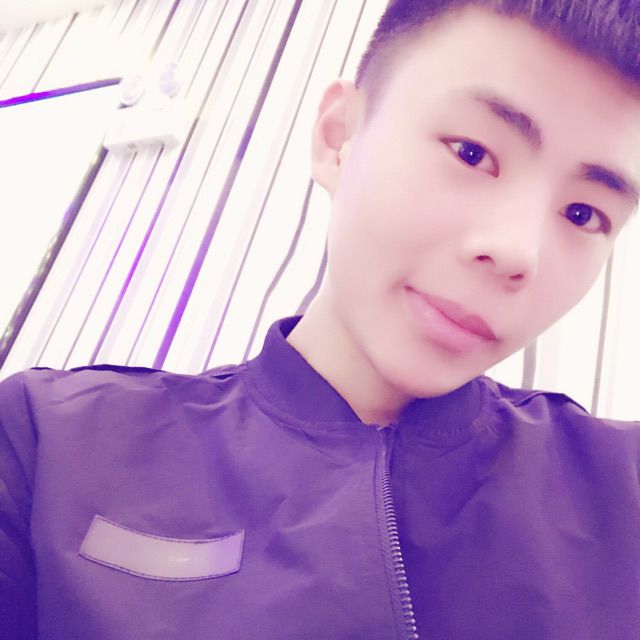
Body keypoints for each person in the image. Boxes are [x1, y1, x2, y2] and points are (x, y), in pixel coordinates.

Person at [2, 0, 640, 638]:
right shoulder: (50, 445)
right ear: (339, 138)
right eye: (471, 153)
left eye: (584, 214)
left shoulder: (622, 486)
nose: (518, 252)